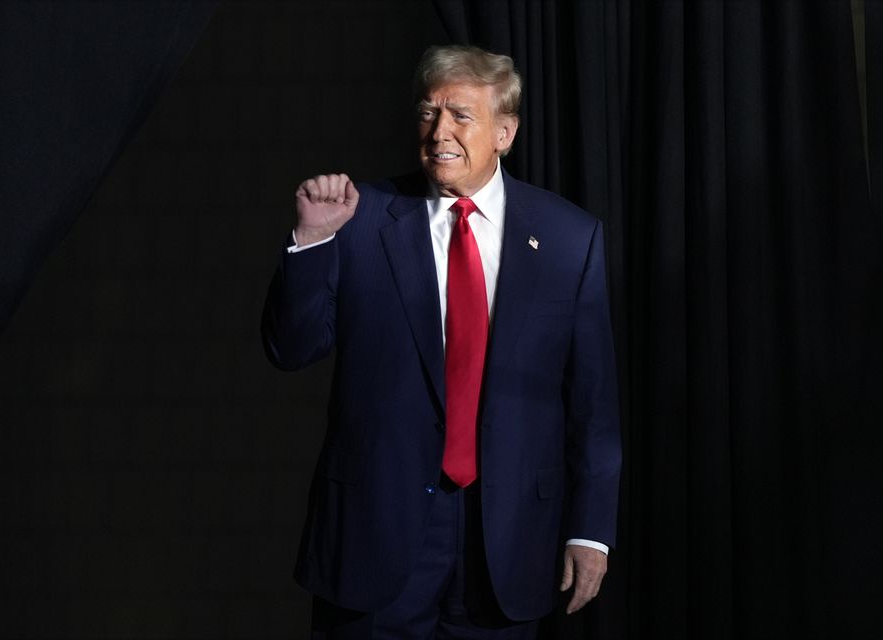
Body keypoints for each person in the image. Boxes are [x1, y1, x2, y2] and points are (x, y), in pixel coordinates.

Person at [262, 44, 622, 639]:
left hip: (506, 537)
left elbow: (594, 401)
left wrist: (590, 530)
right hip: (375, 531)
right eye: (428, 113)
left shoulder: (568, 238)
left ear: (505, 132)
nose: (439, 132)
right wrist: (311, 243)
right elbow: (290, 348)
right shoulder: (360, 218)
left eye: (460, 115)